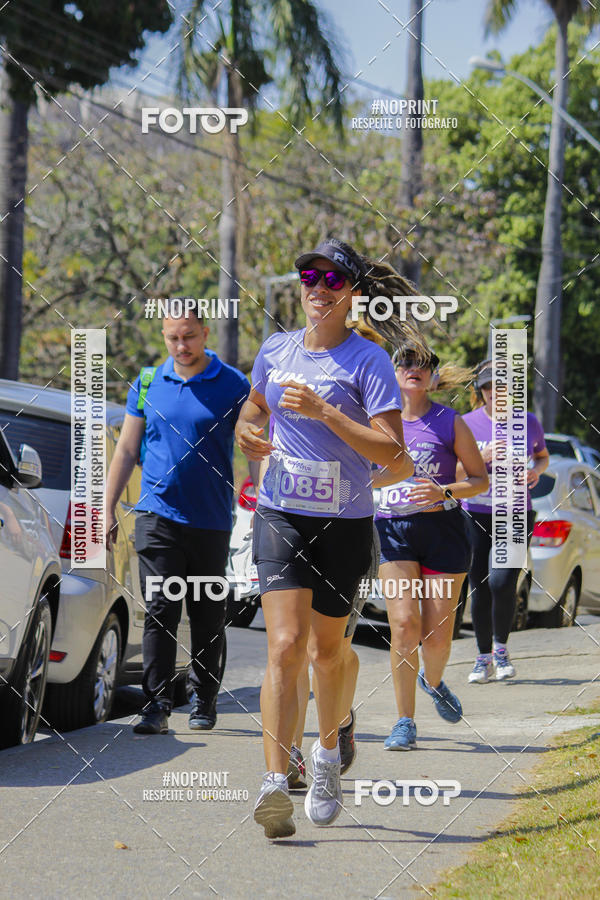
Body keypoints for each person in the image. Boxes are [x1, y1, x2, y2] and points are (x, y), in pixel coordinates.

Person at [235, 237, 418, 838]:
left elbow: (393, 454)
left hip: (343, 522)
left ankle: (327, 752)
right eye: (309, 277)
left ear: (352, 293)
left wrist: (327, 415)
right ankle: (271, 783)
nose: (317, 288)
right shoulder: (274, 349)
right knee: (283, 645)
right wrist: (249, 436)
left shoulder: (369, 363)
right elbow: (253, 410)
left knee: (325, 651)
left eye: (332, 280)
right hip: (281, 510)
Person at [105, 304, 251, 734]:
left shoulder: (233, 384)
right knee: (160, 607)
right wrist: (108, 507)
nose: (181, 346)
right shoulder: (149, 383)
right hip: (156, 515)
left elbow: (253, 443)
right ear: (164, 336)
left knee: (207, 612)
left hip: (210, 521)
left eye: (189, 336)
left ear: (205, 332)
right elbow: (127, 451)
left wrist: (258, 502)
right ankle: (156, 706)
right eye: (173, 338)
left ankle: (204, 699)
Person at [372, 344, 488, 750]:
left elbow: (479, 480)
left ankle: (433, 681)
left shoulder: (450, 422)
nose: (414, 369)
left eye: (424, 364)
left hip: (443, 533)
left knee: (437, 638)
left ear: (434, 377)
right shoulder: (375, 419)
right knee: (404, 627)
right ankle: (404, 721)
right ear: (393, 371)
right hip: (393, 530)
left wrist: (445, 491)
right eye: (405, 362)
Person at [462, 360, 549, 683]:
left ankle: (501, 648)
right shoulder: (467, 424)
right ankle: (483, 657)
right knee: (479, 583)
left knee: (501, 582)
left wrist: (535, 472)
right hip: (475, 512)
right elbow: (454, 471)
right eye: (487, 387)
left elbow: (541, 456)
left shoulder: (529, 423)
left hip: (514, 512)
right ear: (480, 392)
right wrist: (481, 459)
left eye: (501, 387)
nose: (494, 393)